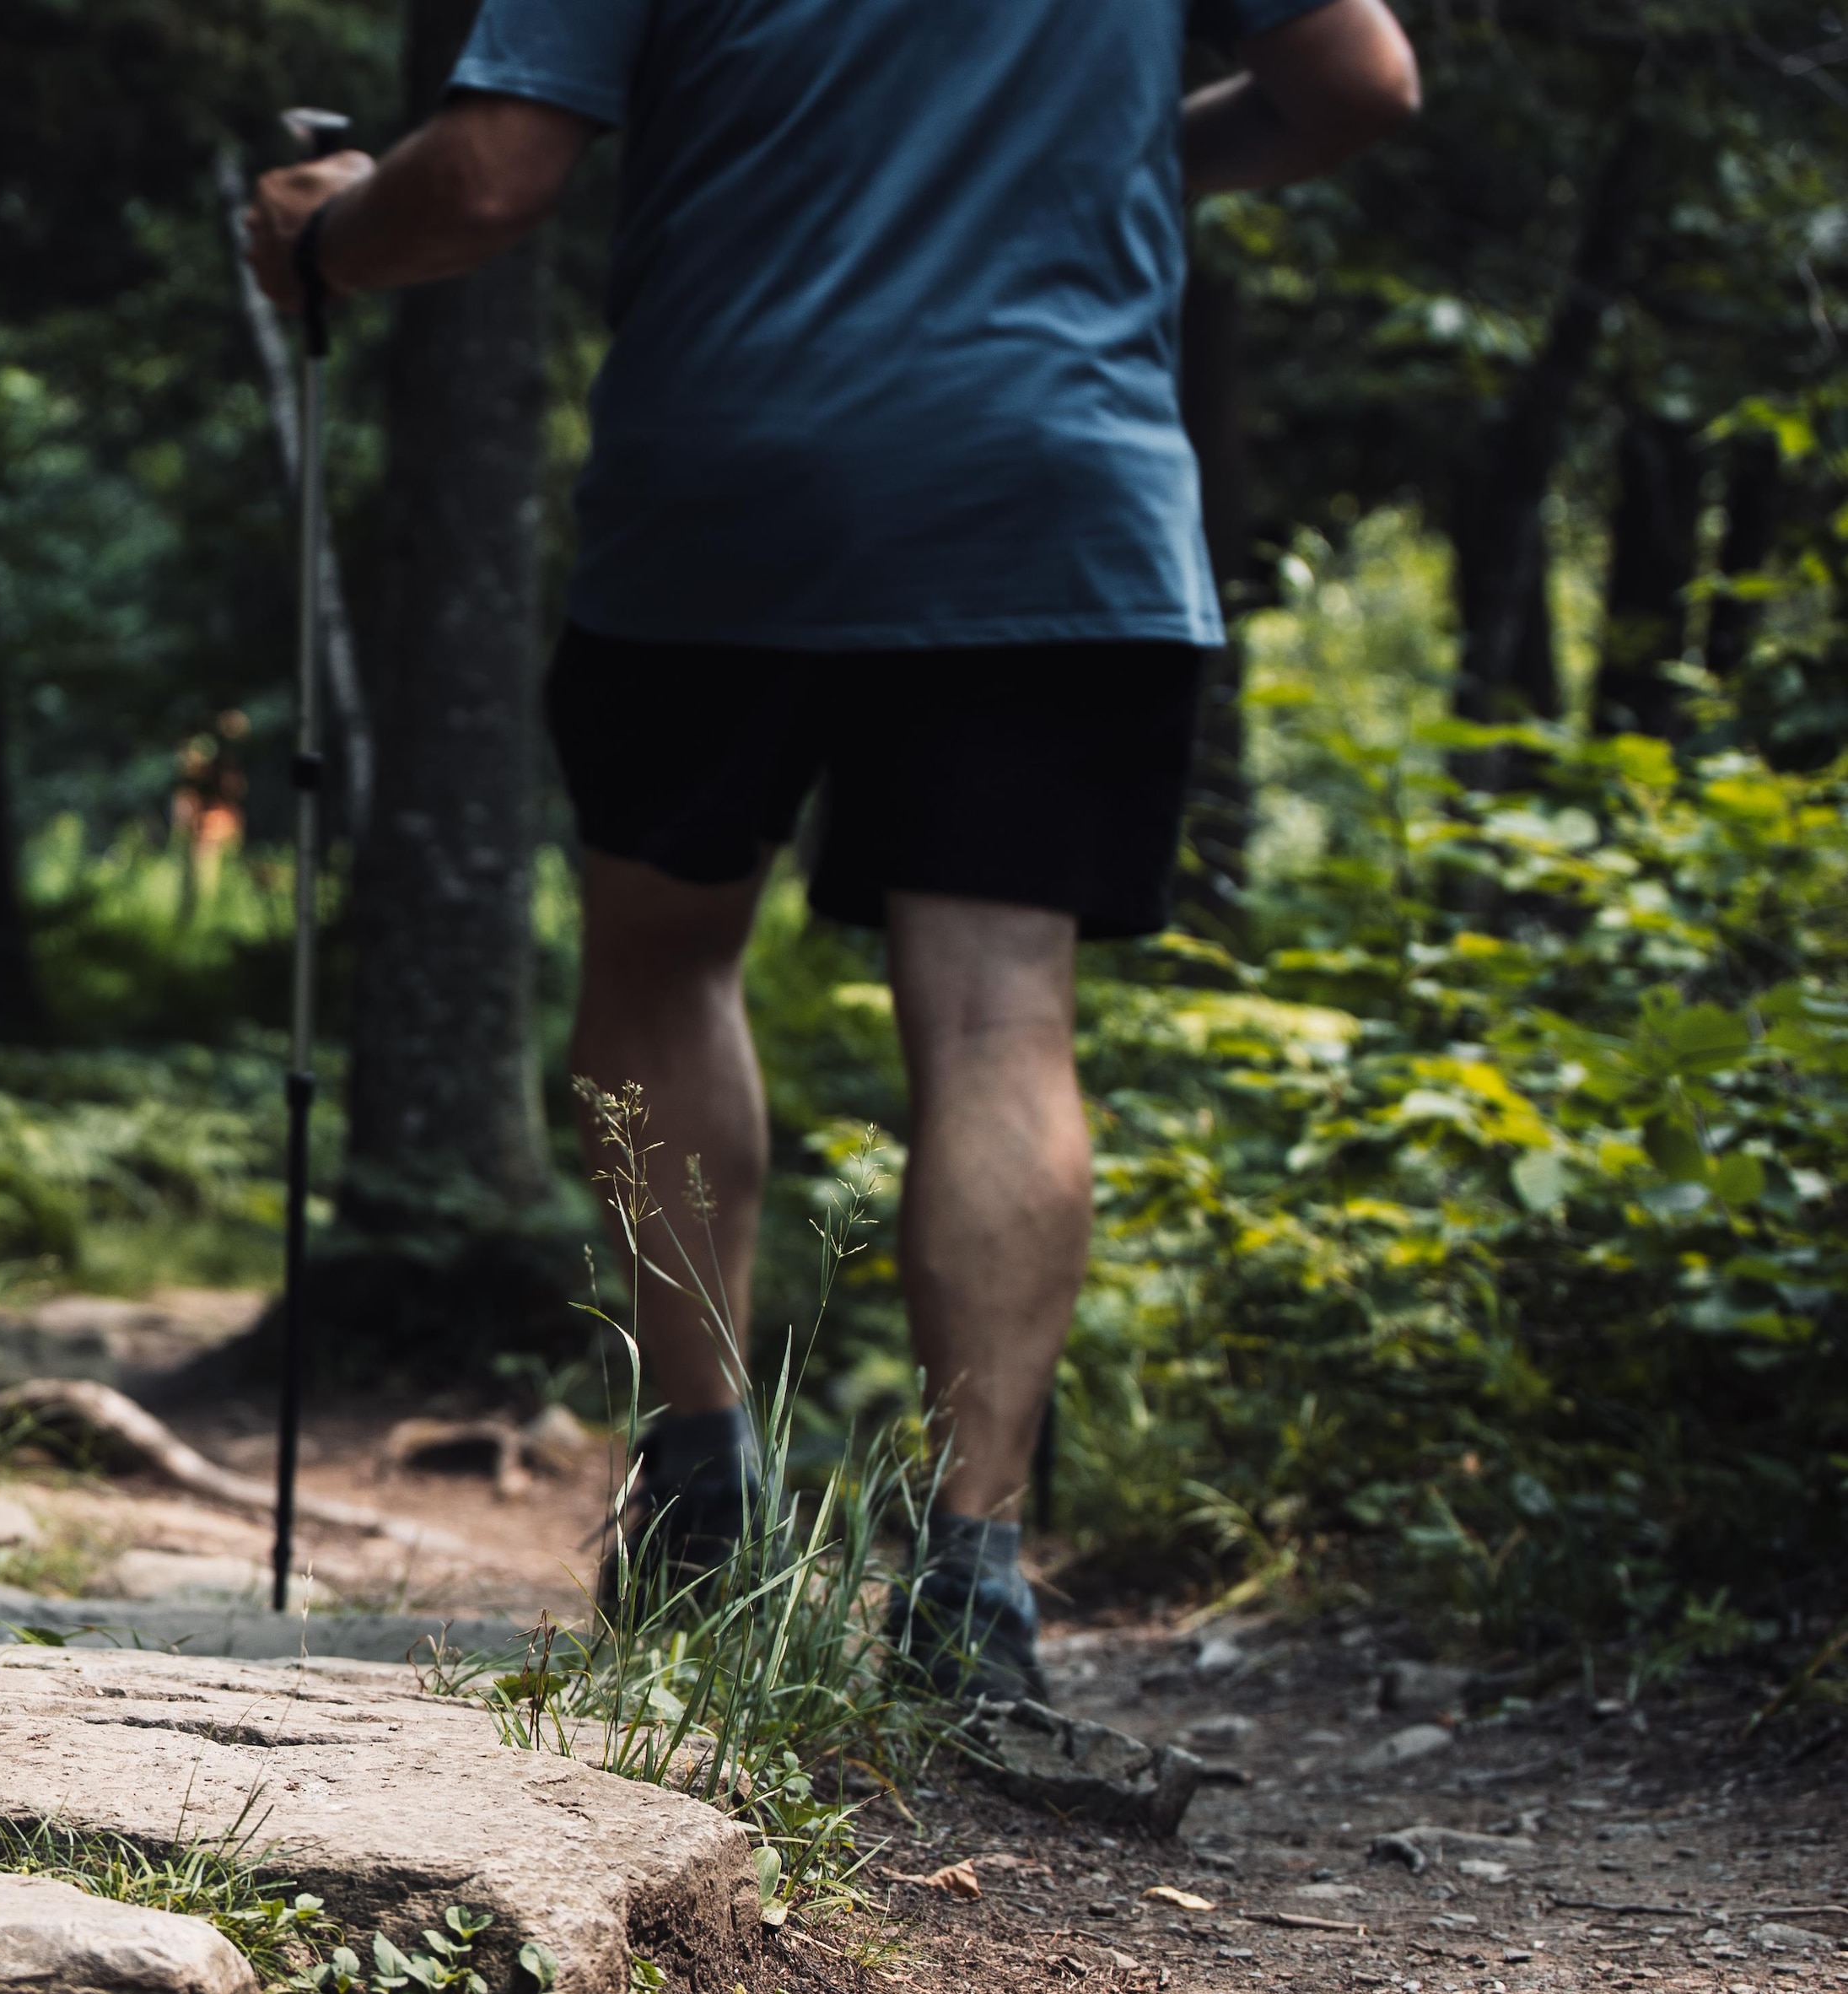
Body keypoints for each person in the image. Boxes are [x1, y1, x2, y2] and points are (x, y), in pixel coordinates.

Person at [246, 0, 1420, 1704]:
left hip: (734, 493)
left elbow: (496, 175)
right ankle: (971, 1587)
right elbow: (1359, 83)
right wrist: (1083, 178)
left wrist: (328, 242)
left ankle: (705, 1501)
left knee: (659, 955)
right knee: (1002, 1017)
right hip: (1055, 490)